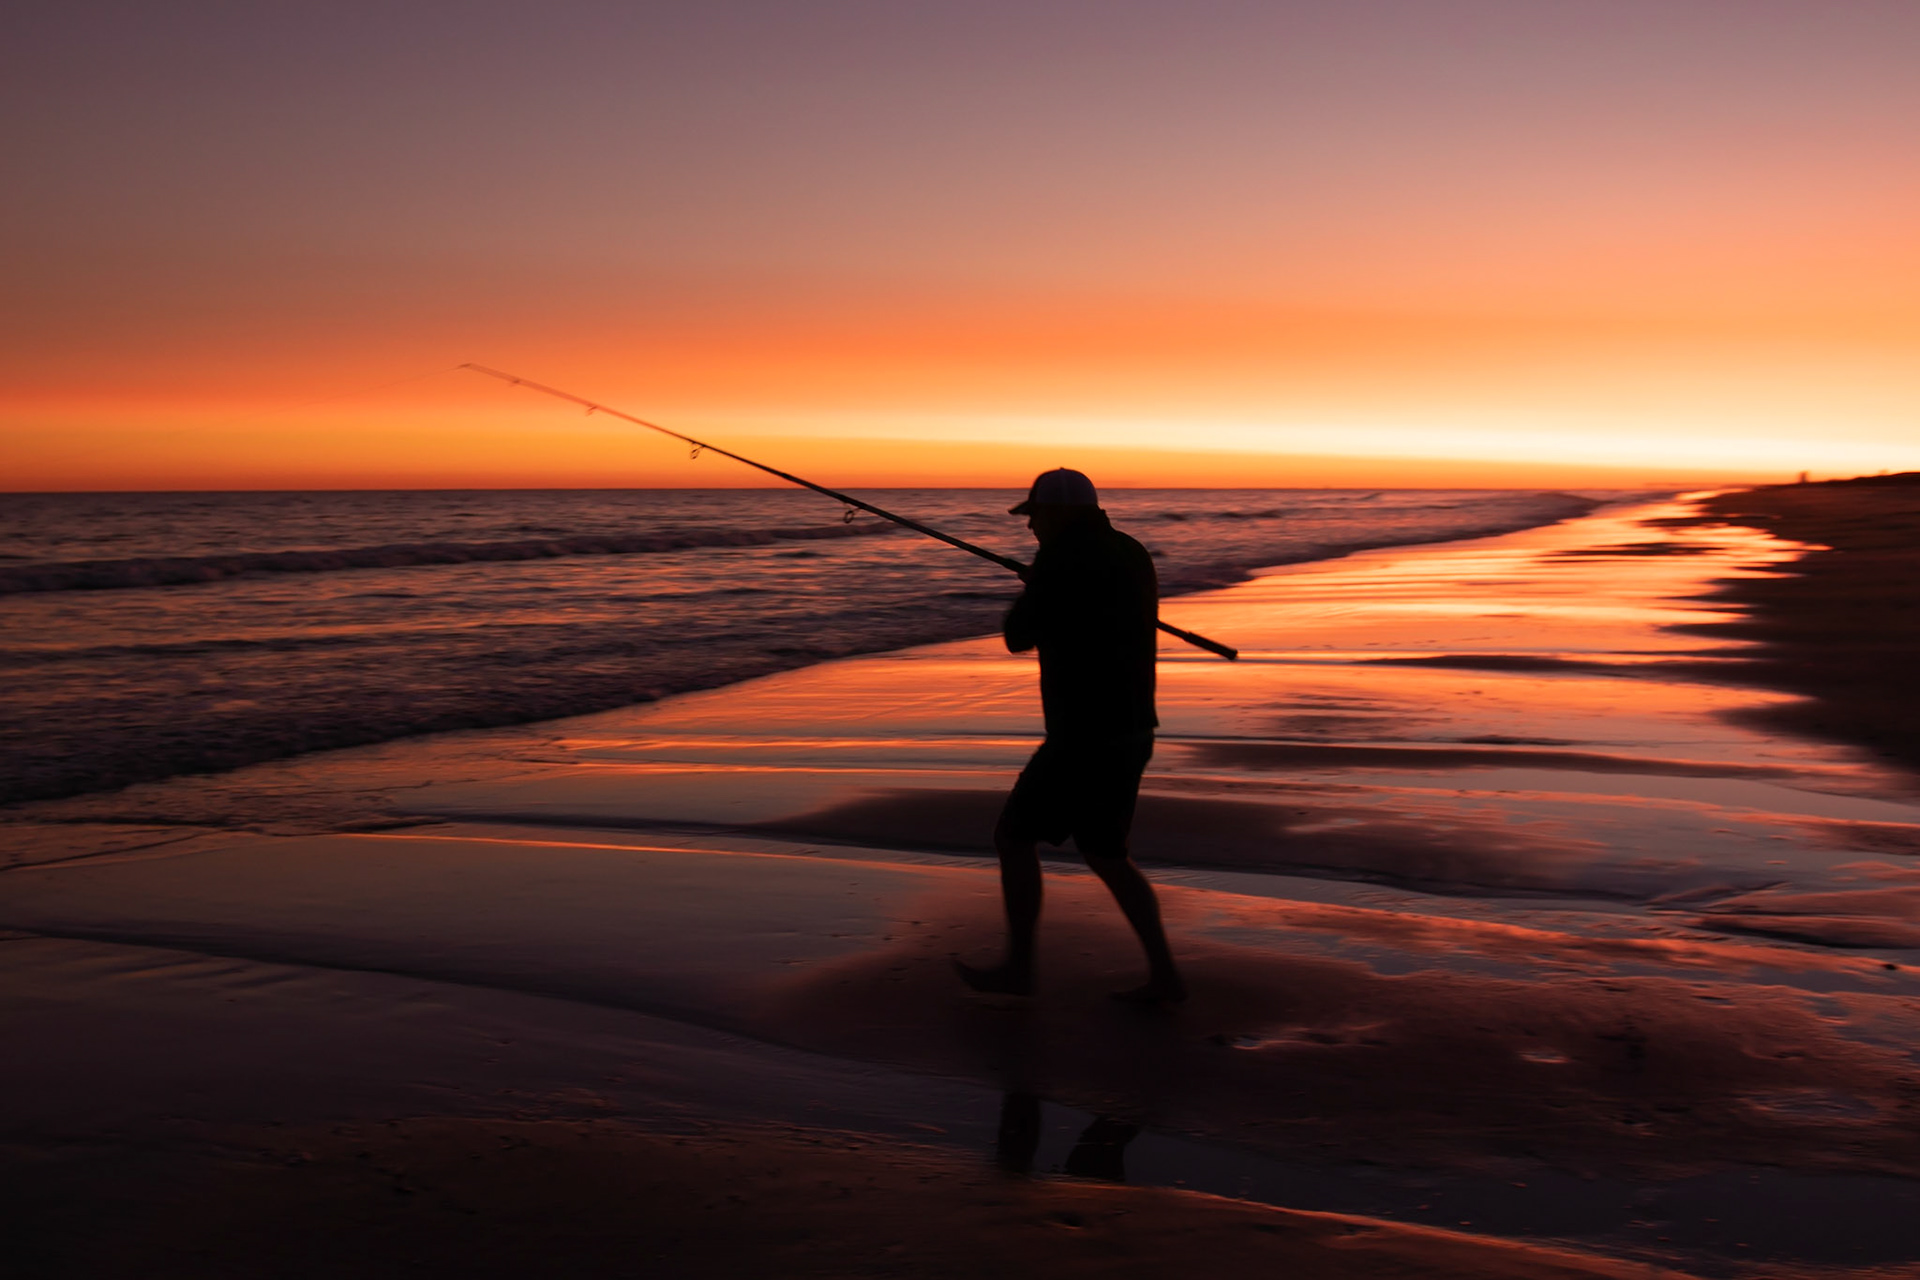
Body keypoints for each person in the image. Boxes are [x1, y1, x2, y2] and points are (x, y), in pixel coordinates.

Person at [955, 468, 1185, 1004]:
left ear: (1059, 513)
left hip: (1082, 733)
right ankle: (1166, 976)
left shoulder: (1060, 560)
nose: (1031, 525)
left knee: (1013, 838)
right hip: (1131, 726)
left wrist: (1037, 586)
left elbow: (1017, 637)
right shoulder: (1131, 551)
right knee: (1107, 854)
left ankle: (1020, 968)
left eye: (1035, 514)